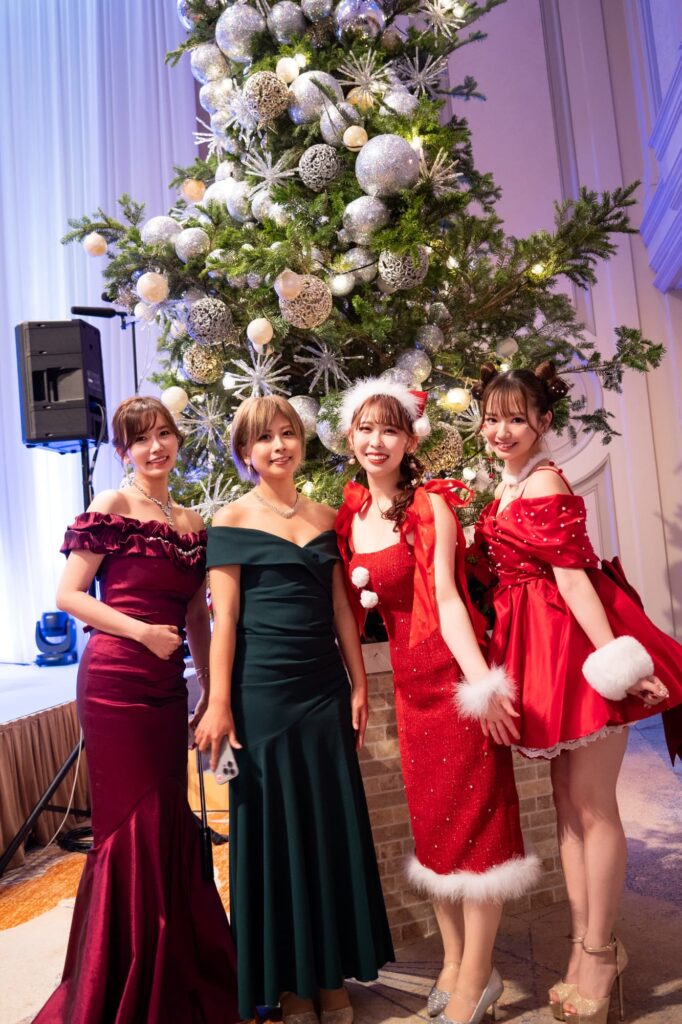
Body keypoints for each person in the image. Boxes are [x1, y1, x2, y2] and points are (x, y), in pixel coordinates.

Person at [470, 362, 682, 1024]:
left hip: (571, 647)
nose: (502, 430)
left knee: (592, 806)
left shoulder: (544, 481)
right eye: (492, 418)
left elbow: (573, 579)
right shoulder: (506, 485)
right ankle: (584, 946)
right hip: (536, 647)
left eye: (516, 418)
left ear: (543, 421)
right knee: (567, 805)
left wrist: (620, 662)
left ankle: (599, 951)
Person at [334, 378, 540, 1024]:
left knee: (478, 830)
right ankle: (453, 963)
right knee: (436, 831)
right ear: (349, 436)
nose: (376, 441)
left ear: (410, 440)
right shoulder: (351, 514)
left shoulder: (431, 506)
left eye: (390, 429)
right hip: (409, 688)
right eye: (366, 428)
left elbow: (449, 600)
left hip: (452, 681)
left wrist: (481, 687)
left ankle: (478, 977)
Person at [34, 396, 238, 1024]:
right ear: (123, 450)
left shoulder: (193, 521)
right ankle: (121, 976)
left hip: (168, 686)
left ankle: (176, 965)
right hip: (115, 680)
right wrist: (142, 633)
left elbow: (197, 615)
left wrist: (208, 688)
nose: (156, 447)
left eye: (164, 434)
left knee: (169, 814)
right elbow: (69, 595)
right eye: (141, 439)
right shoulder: (113, 506)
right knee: (132, 823)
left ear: (177, 440)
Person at [195, 394, 394, 1024]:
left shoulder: (326, 516)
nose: (278, 446)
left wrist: (359, 682)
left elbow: (342, 610)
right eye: (264, 438)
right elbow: (225, 619)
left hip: (322, 691)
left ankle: (330, 974)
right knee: (273, 831)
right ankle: (289, 984)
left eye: (287, 434)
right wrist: (218, 703)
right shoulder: (230, 518)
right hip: (261, 695)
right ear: (245, 452)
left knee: (326, 825)